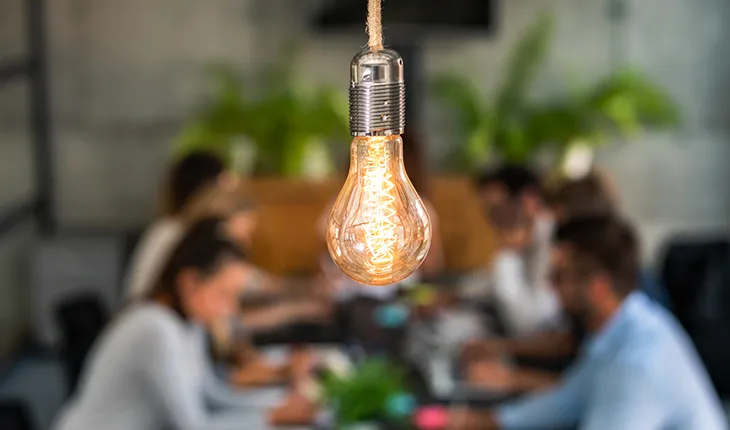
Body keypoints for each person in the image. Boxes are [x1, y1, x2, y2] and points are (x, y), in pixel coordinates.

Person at [451, 215, 727, 430]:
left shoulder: (638, 362)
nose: (548, 286)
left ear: (598, 287)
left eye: (560, 276)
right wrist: (484, 420)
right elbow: (570, 398)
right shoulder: (625, 328)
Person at [54, 218, 318, 430]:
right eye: (224, 295)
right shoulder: (154, 328)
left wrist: (278, 408)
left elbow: (210, 394)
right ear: (189, 282)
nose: (231, 309)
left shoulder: (189, 324)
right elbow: (193, 424)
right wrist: (273, 417)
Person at [125, 151, 234, 299]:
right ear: (207, 191)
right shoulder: (175, 233)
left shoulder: (170, 229)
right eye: (224, 188)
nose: (229, 200)